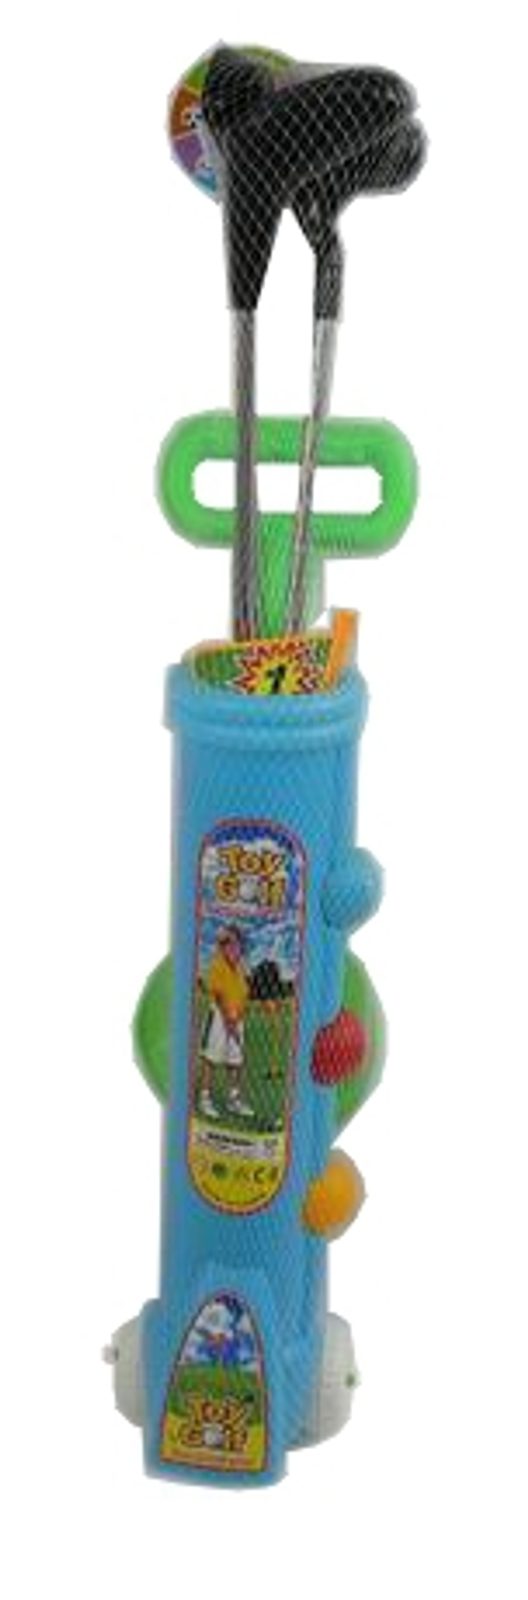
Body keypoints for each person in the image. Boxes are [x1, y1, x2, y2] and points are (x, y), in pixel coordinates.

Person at [199, 926, 252, 1119]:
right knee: (211, 1058)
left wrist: (237, 1018)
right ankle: (205, 1099)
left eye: (233, 943)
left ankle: (233, 1100)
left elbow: (244, 995)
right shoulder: (217, 965)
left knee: (235, 1060)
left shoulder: (240, 969)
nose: (229, 947)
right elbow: (218, 994)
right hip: (219, 1017)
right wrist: (228, 1019)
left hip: (237, 1018)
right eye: (224, 944)